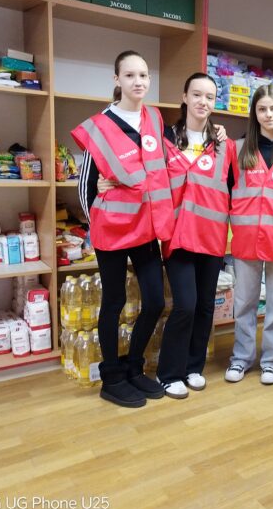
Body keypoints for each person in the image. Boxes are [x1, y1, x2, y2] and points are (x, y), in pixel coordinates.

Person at [73, 50, 174, 408]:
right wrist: (96, 226)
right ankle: (112, 377)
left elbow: (164, 162)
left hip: (146, 228)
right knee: (114, 302)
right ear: (117, 80)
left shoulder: (155, 118)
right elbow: (85, 185)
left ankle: (133, 366)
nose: (138, 82)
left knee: (155, 301)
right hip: (112, 230)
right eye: (130, 75)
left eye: (143, 75)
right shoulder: (101, 124)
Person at [155, 73, 234, 399]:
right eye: (197, 94)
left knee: (204, 306)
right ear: (185, 97)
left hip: (212, 237)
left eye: (210, 97)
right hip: (177, 237)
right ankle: (168, 373)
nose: (203, 102)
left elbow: (233, 189)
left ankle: (193, 367)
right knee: (185, 305)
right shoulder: (165, 140)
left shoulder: (224, 145)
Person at [225, 85, 273, 385]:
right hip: (246, 239)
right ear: (254, 113)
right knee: (244, 302)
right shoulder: (237, 150)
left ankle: (271, 361)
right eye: (262, 109)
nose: (269, 115)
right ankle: (241, 358)